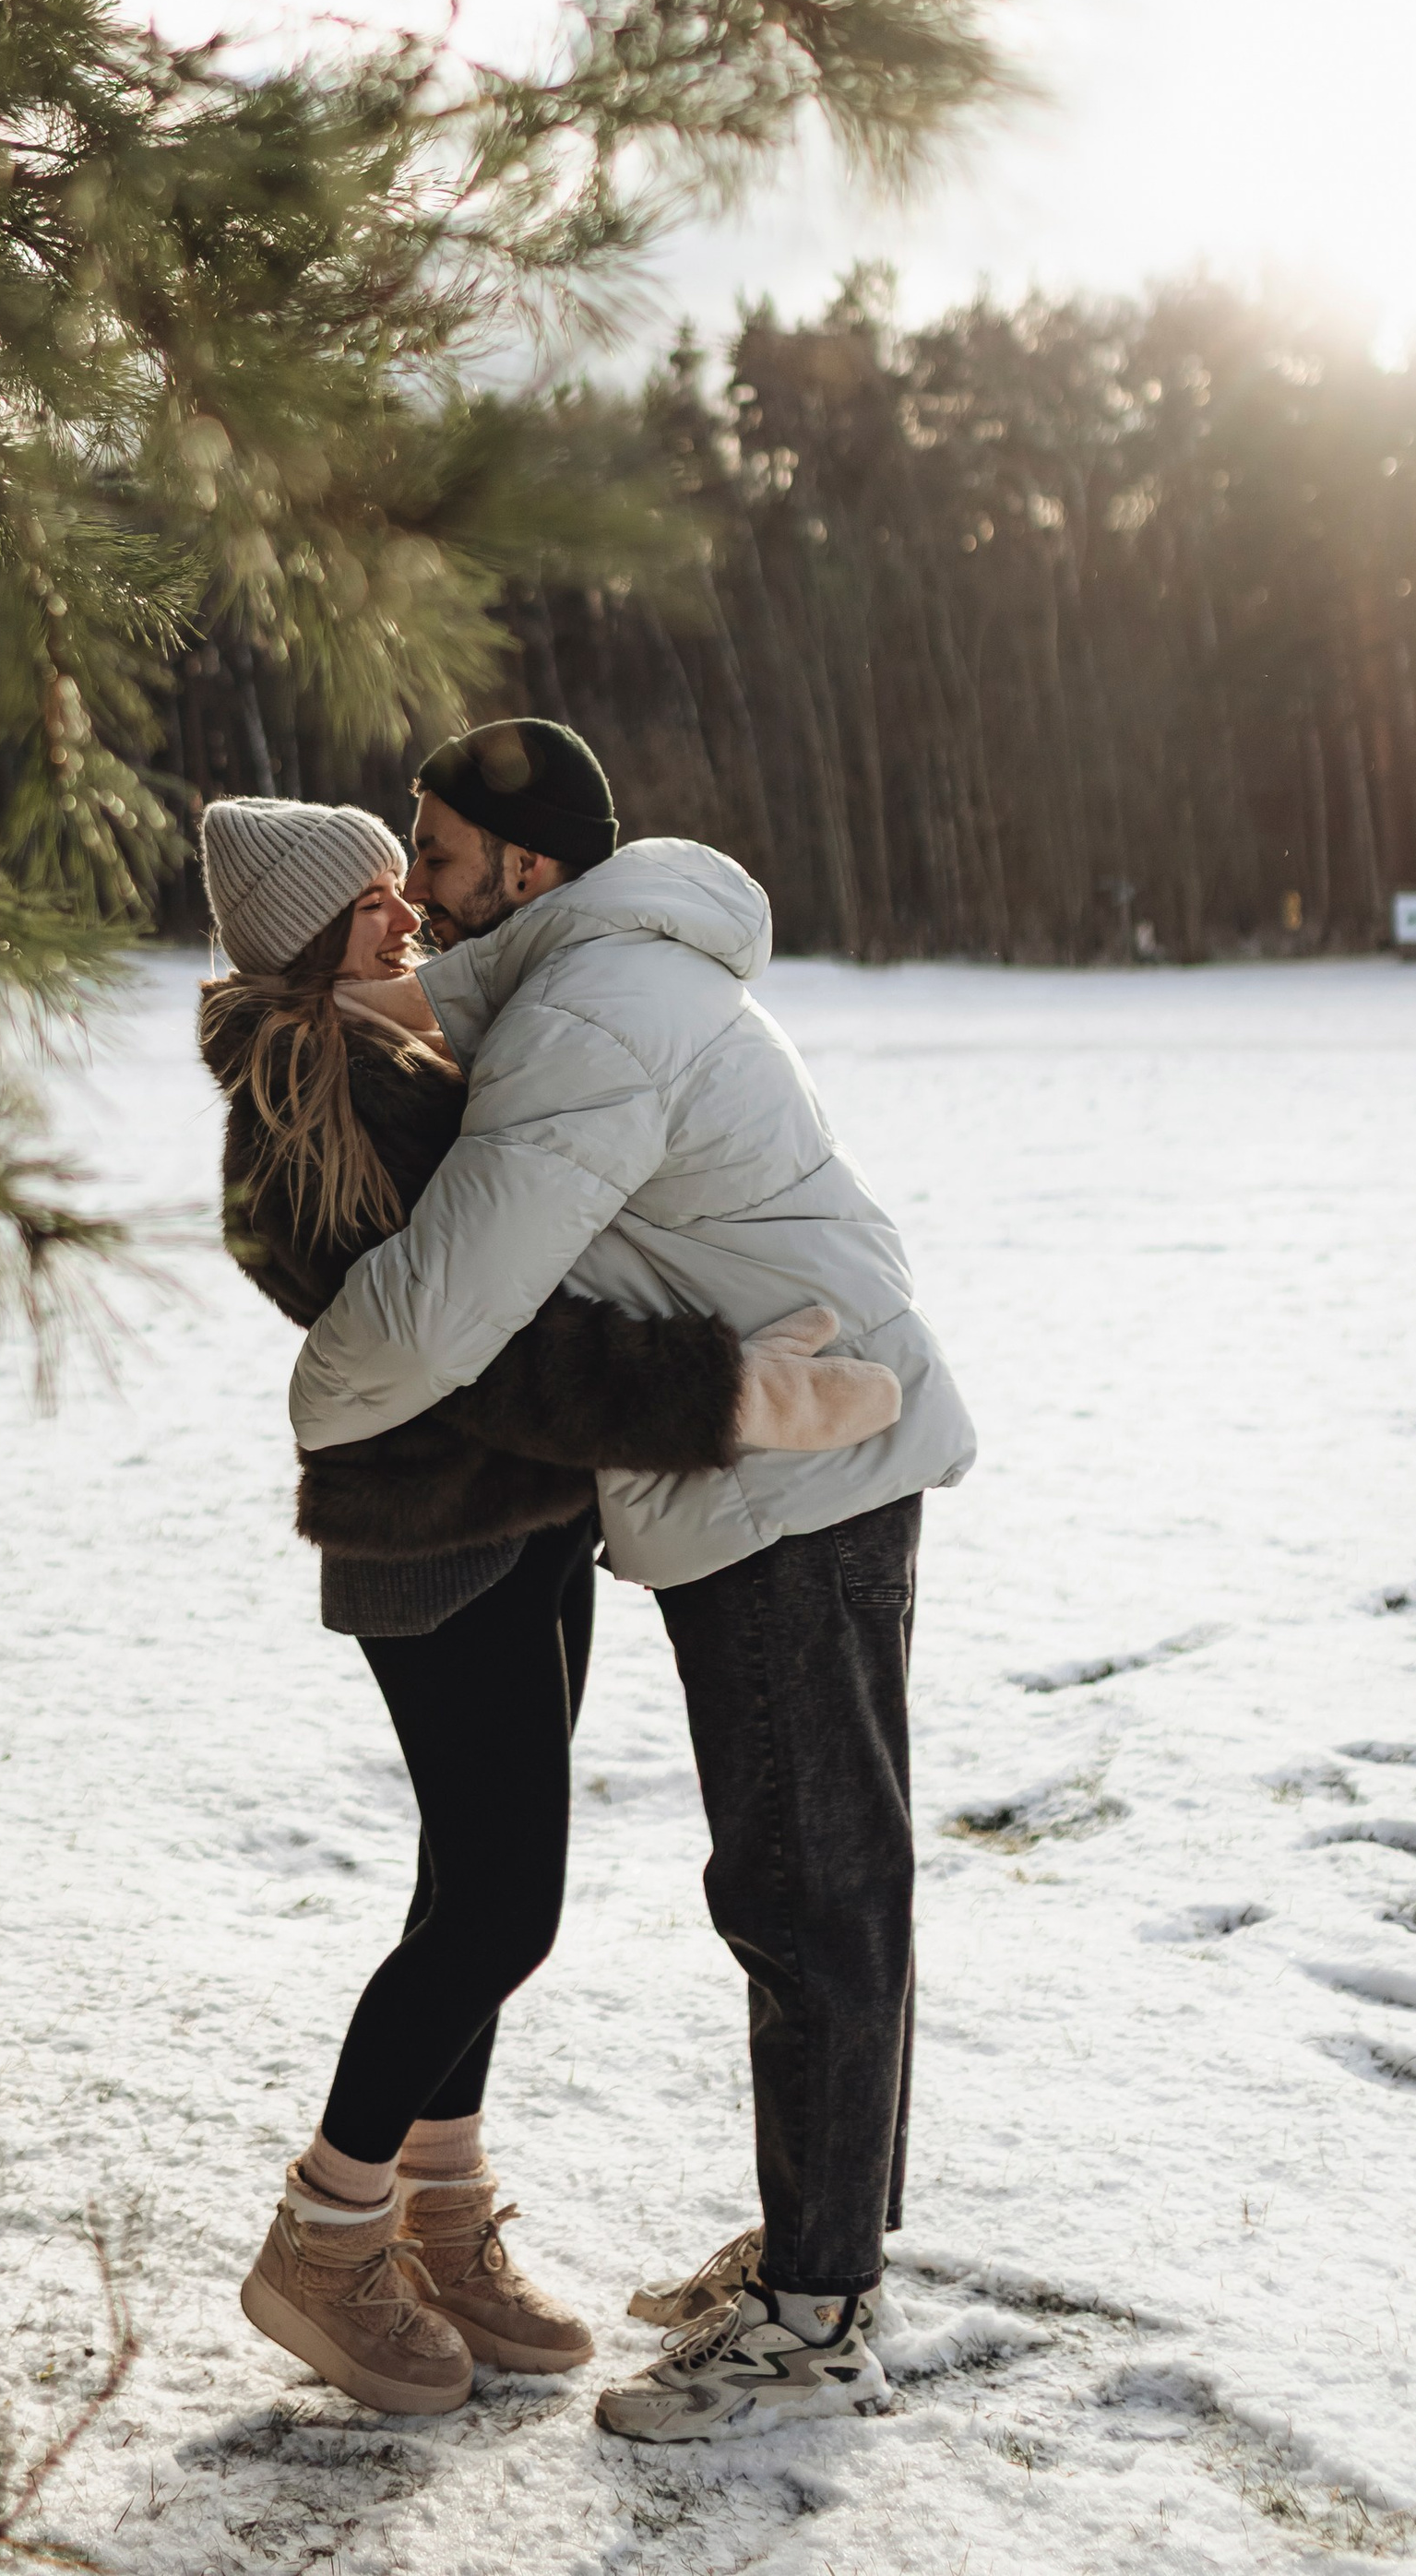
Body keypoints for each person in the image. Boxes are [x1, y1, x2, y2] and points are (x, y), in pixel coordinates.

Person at [287, 718, 976, 2444]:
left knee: (808, 1887)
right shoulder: (591, 971)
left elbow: (456, 1294)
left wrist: (327, 1384)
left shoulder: (596, 1010)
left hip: (795, 1467)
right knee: (825, 1875)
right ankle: (823, 2254)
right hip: (788, 1454)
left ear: (529, 868)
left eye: (436, 860)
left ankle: (816, 2320)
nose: (419, 900)